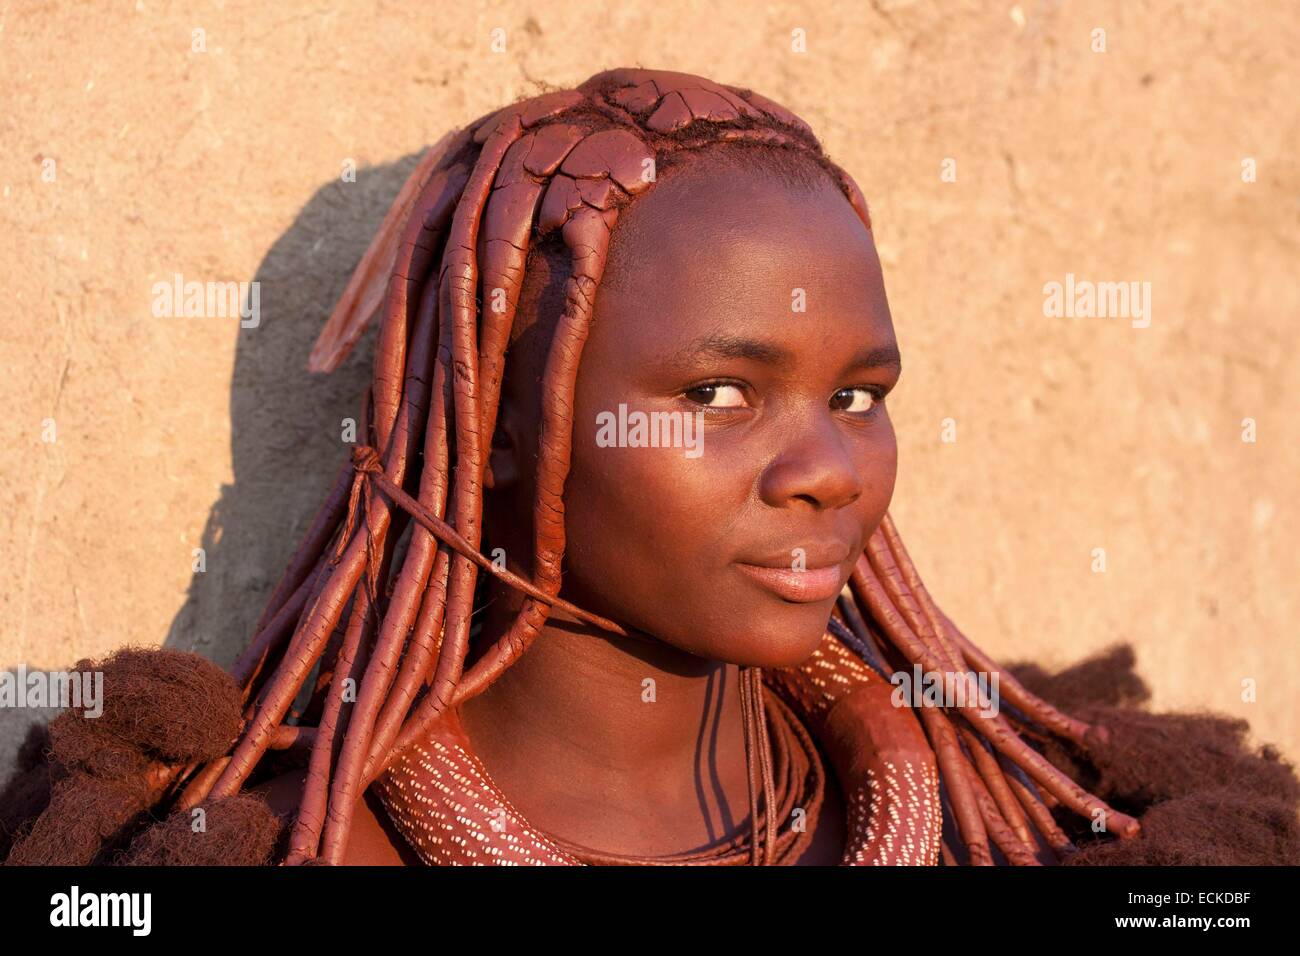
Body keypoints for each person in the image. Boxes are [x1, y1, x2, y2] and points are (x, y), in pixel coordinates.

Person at [3, 68, 1297, 867]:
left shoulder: (1036, 824)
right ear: (499, 418)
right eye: (718, 393)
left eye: (858, 396)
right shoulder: (271, 850)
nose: (829, 471)